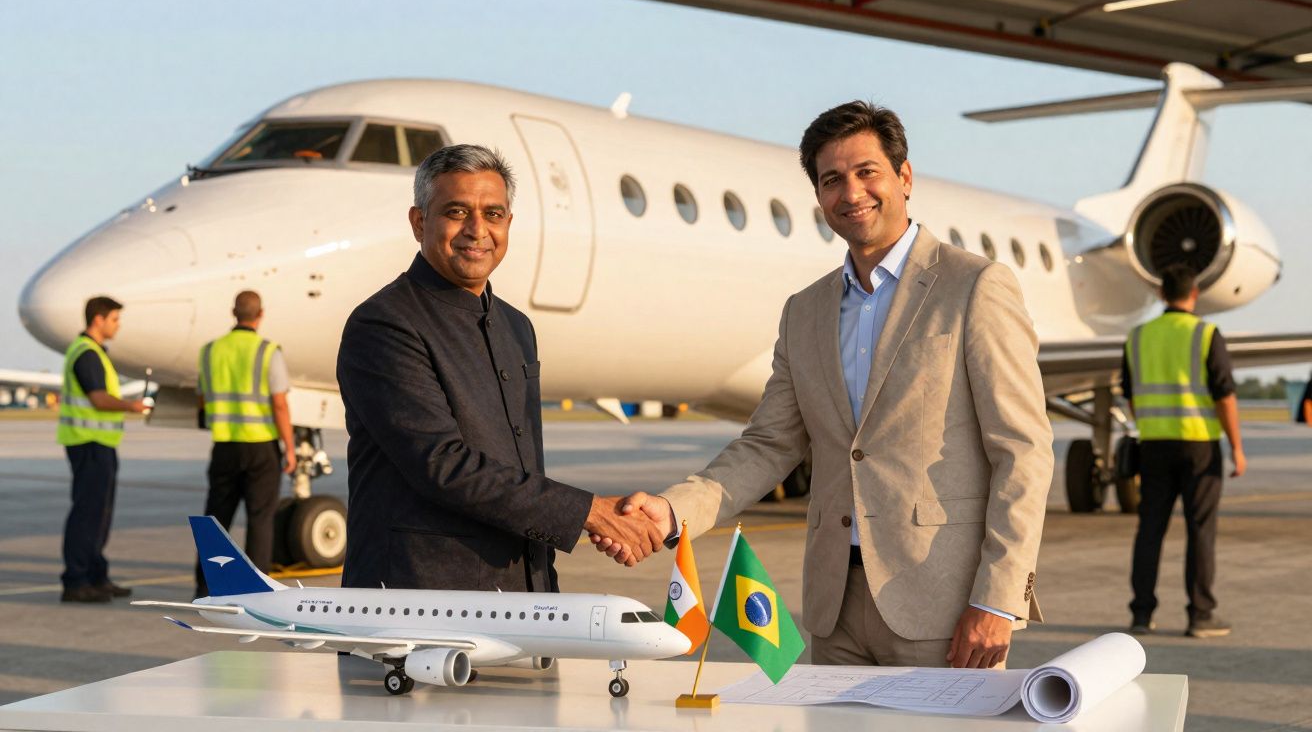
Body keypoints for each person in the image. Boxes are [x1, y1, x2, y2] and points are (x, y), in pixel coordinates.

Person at [595, 102, 1053, 670]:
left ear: (904, 178)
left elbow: (1024, 452)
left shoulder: (975, 286)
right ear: (819, 198)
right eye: (832, 179)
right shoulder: (805, 310)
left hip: (944, 605)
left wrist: (998, 599)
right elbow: (769, 444)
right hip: (834, 608)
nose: (851, 191)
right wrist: (670, 511)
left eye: (868, 172)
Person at [336, 144, 662, 593]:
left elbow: (521, 465)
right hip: (420, 607)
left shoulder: (515, 326)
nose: (477, 230)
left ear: (508, 224)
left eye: (493, 214)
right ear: (418, 222)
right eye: (456, 211)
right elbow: (444, 466)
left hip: (523, 597)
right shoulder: (385, 323)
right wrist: (589, 512)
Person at [1123, 264, 1243, 639]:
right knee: (1200, 531)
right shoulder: (1206, 334)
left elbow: (1129, 393)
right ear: (1194, 294)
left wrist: (1149, 427)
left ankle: (1142, 614)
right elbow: (1224, 395)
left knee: (1150, 531)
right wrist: (1237, 446)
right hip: (1199, 447)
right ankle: (1200, 615)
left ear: (1161, 295)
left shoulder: (1138, 336)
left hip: (1154, 445)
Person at [194, 291, 296, 596]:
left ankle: (204, 585)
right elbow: (279, 404)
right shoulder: (267, 351)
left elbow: (202, 395)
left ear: (233, 312)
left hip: (224, 444)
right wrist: (289, 447)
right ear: (260, 314)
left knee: (216, 518)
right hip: (261, 446)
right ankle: (256, 591)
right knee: (260, 520)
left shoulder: (210, 350)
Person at [57, 296, 149, 602]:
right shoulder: (86, 354)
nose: (118, 325)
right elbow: (98, 398)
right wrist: (130, 406)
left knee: (100, 514)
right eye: (114, 319)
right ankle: (76, 581)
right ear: (98, 319)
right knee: (88, 513)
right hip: (89, 443)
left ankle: (97, 576)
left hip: (98, 443)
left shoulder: (92, 352)